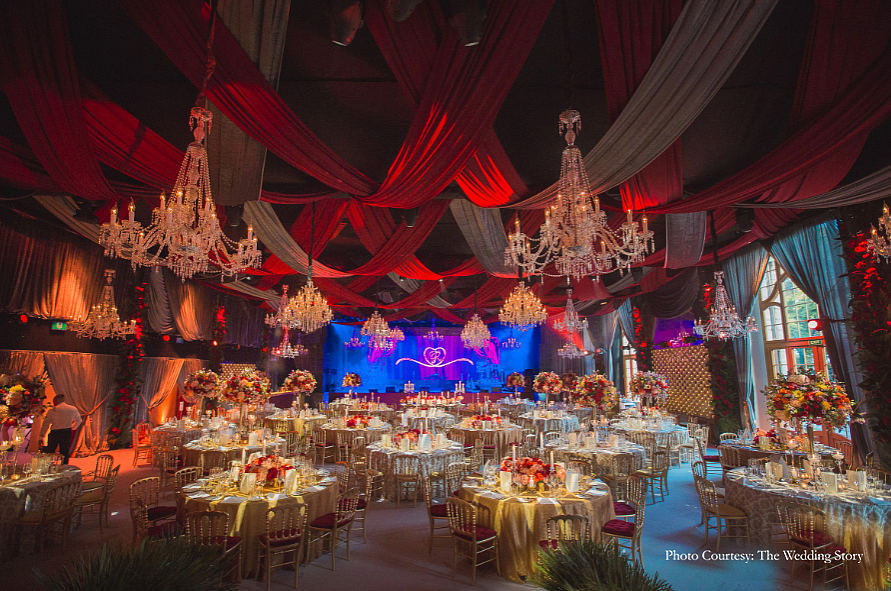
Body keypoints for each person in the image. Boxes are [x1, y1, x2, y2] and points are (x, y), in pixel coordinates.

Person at [39, 395, 82, 464]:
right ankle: (64, 466)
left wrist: (41, 436)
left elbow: (45, 424)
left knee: (50, 451)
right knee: (65, 452)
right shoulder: (72, 409)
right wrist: (72, 427)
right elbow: (79, 420)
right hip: (66, 432)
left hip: (55, 432)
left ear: (56, 401)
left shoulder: (52, 410)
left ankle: (49, 465)